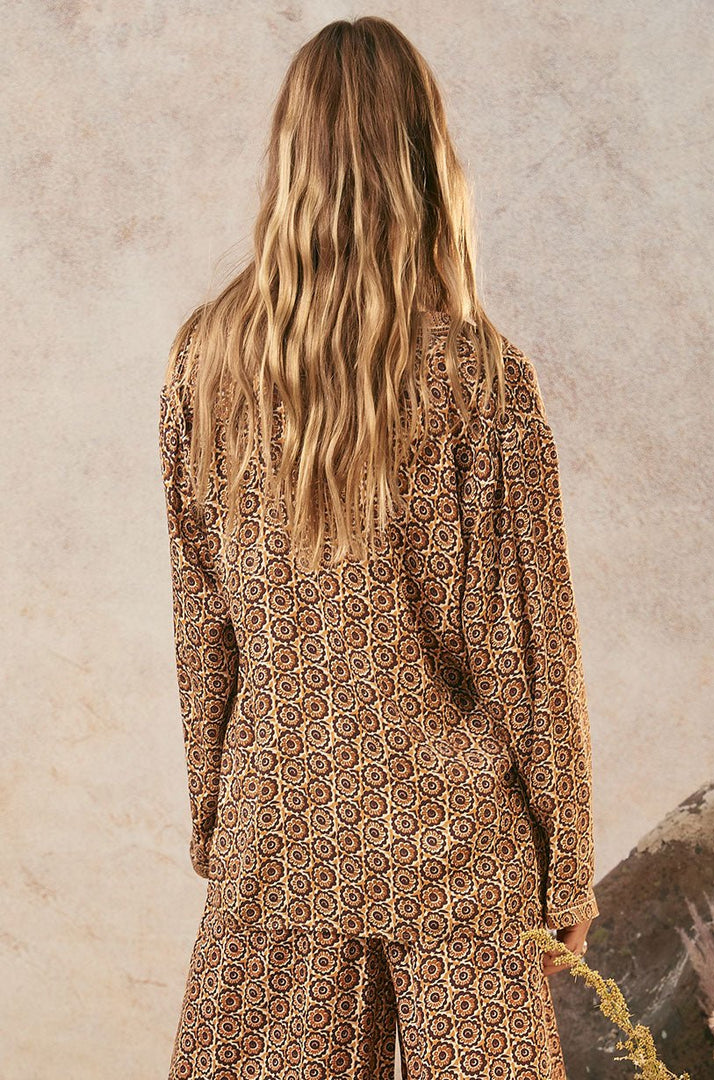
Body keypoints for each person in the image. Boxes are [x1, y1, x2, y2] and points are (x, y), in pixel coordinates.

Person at [158, 15, 599, 1080]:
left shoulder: (203, 366)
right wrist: (568, 862)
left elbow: (203, 622)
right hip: (457, 844)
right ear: (425, 159)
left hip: (281, 833)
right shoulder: (481, 377)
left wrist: (219, 809)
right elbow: (527, 645)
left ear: (290, 157)